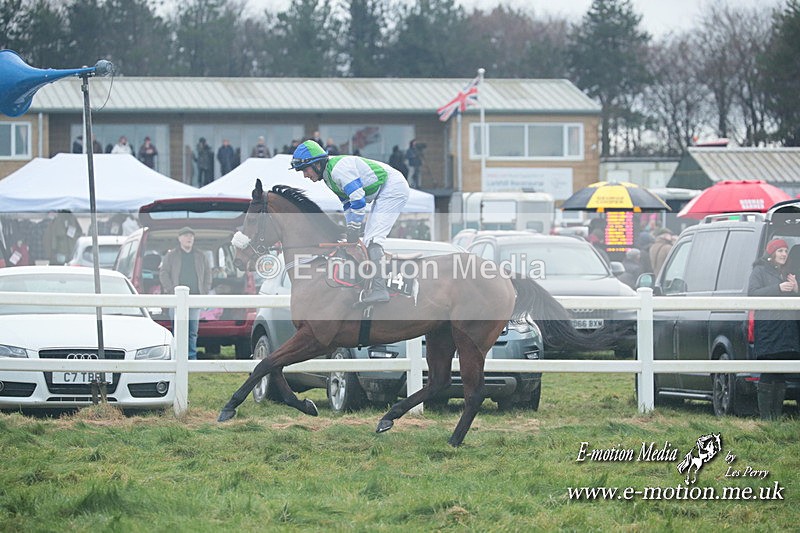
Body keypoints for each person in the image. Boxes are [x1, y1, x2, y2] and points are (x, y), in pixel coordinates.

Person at [290, 139, 410, 304]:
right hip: (383, 190)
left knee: (373, 239)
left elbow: (358, 200)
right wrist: (350, 228)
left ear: (317, 164)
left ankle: (380, 289)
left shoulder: (338, 170)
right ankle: (373, 285)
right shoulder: (328, 178)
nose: (305, 175)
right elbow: (347, 204)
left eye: (305, 169)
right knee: (368, 240)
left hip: (393, 187)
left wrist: (355, 227)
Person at [747, 238, 799, 420]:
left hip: (785, 331)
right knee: (768, 372)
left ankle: (776, 417)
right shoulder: (759, 271)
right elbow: (752, 294)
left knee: (781, 374)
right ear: (771, 254)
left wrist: (795, 289)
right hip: (769, 329)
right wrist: (778, 288)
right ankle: (765, 418)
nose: (784, 254)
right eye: (780, 251)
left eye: (785, 251)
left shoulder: (786, 273)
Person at [159, 227, 212, 360]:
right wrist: (171, 289)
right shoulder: (171, 256)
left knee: (192, 331)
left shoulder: (201, 256)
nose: (189, 238)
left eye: (191, 236)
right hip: (176, 299)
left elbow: (208, 275)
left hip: (195, 298)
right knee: (178, 330)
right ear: (180, 238)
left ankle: (191, 357)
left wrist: (204, 292)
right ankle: (178, 357)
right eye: (186, 236)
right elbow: (163, 273)